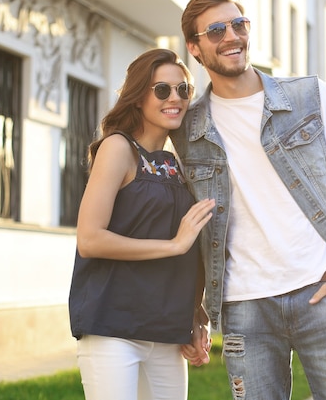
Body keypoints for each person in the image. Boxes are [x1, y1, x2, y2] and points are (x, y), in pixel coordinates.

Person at [172, 0, 326, 400]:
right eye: (216, 30)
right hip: (244, 306)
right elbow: (200, 225)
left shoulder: (308, 95)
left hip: (323, 290)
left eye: (239, 24)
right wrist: (195, 307)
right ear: (195, 48)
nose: (232, 36)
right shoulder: (187, 130)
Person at [68, 48, 215, 400]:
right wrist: (173, 245)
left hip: (167, 329)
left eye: (183, 90)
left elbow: (194, 249)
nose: (175, 98)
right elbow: (89, 239)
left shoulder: (182, 165)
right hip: (113, 326)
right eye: (162, 90)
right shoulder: (119, 149)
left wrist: (196, 315)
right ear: (138, 98)